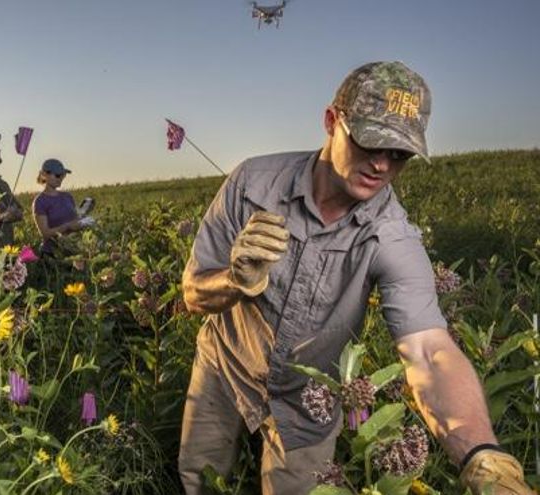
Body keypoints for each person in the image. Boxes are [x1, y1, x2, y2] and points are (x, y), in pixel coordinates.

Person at [179, 62, 532, 494]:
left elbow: (428, 350)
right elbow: (193, 295)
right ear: (332, 121)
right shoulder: (253, 184)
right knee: (198, 477)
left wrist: (484, 458)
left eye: (399, 154)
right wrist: (236, 280)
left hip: (307, 402)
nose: (381, 165)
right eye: (370, 143)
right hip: (225, 366)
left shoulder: (392, 236)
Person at [31, 158, 95, 257]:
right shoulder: (40, 201)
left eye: (63, 175)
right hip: (52, 254)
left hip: (72, 250)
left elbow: (75, 220)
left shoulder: (67, 196)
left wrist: (84, 221)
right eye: (57, 175)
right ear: (44, 175)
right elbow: (45, 233)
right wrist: (67, 226)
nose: (60, 178)